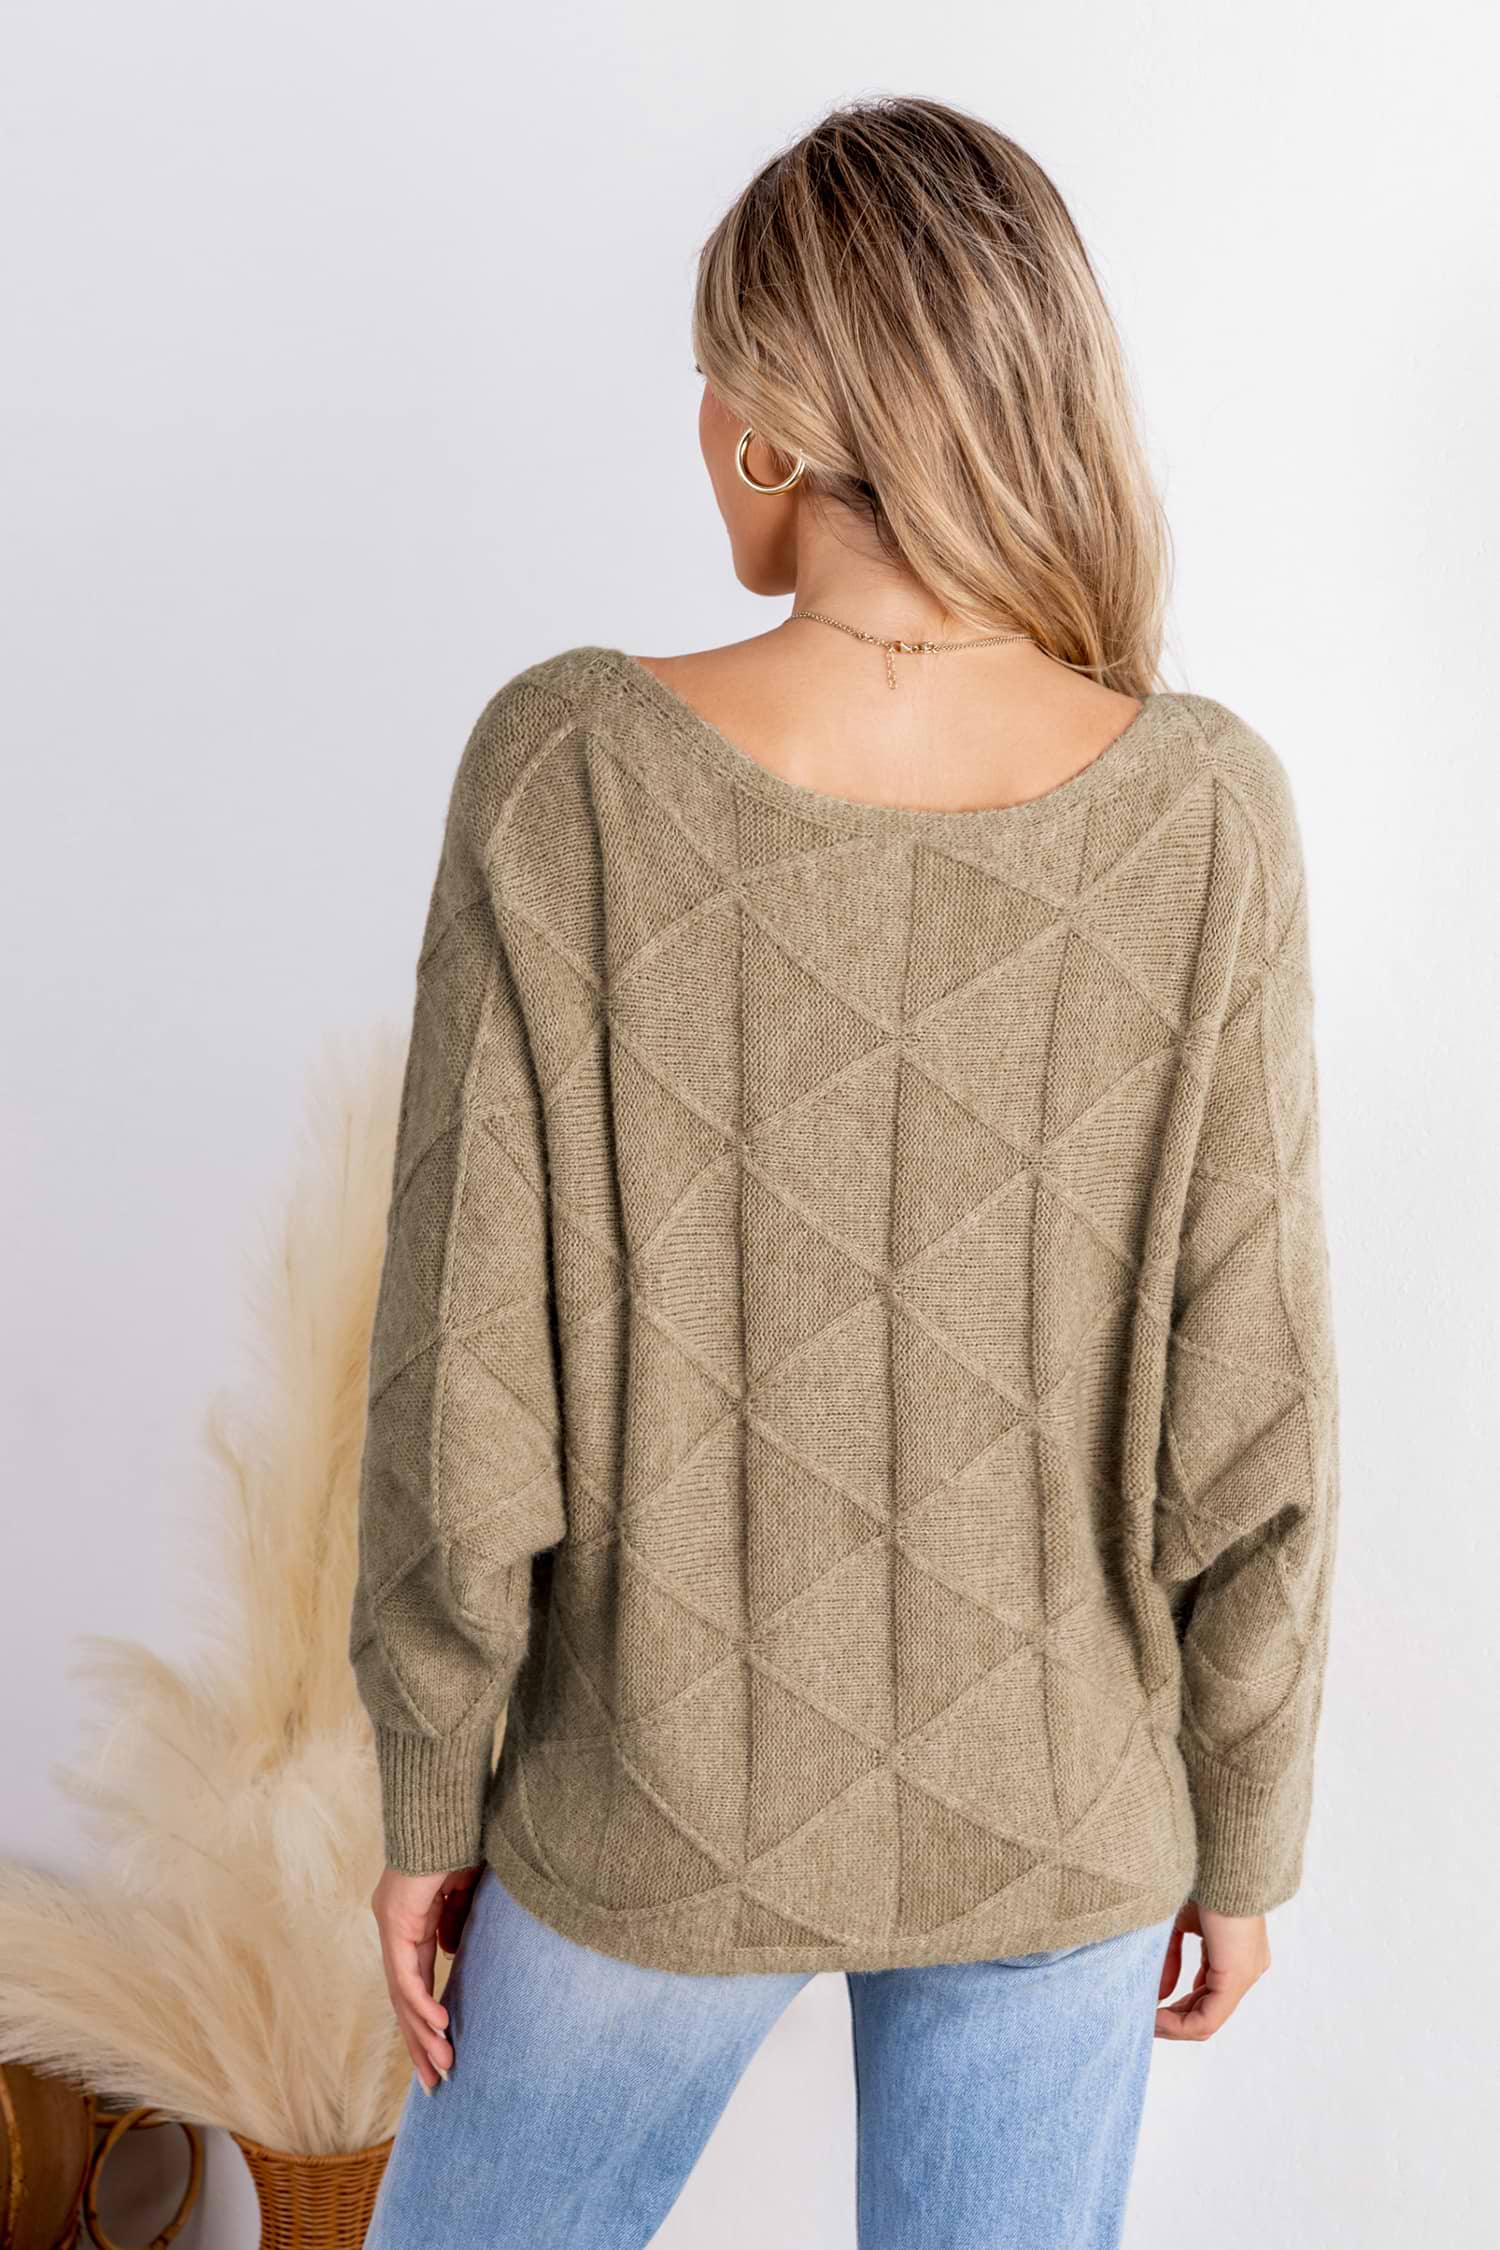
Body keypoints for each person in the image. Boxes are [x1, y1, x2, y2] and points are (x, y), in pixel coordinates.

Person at [351, 94, 1340, 2250]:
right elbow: (1253, 1406)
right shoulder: (1205, 811)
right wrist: (1245, 1827)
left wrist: (431, 1788)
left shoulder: (569, 769)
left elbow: (463, 1372)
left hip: (651, 1801)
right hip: (1063, 1818)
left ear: (768, 431)